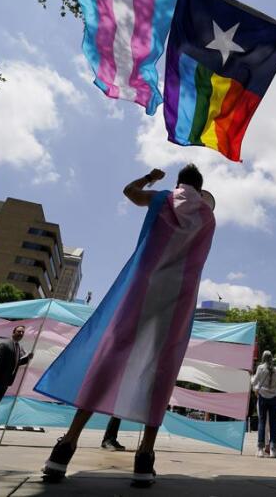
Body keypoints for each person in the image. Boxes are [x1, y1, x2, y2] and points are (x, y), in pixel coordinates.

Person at [35, 166, 216, 486]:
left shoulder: (162, 199)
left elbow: (129, 192)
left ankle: (65, 447)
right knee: (163, 367)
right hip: (178, 296)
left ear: (178, 183)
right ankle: (144, 458)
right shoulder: (208, 217)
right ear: (201, 188)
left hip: (142, 286)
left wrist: (149, 178)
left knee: (110, 355)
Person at [252, 350, 276, 458]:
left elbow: (254, 382)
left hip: (262, 397)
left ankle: (260, 449)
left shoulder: (260, 368)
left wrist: (251, 376)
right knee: (273, 424)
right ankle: (273, 450)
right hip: (273, 398)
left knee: (262, 422)